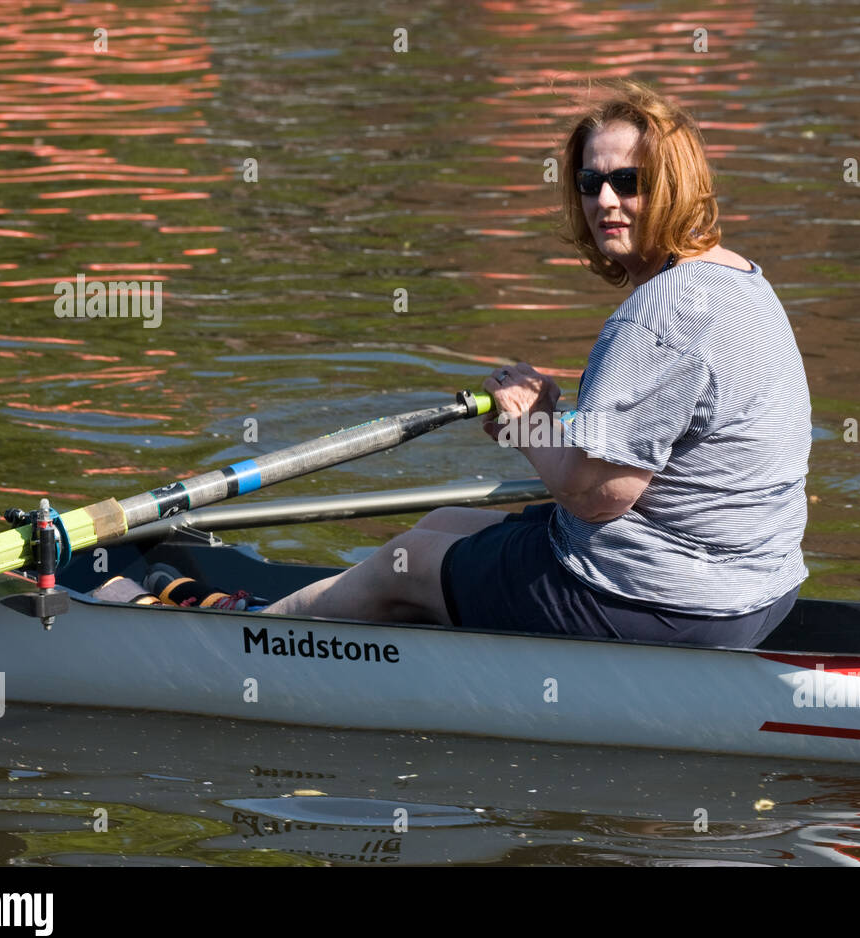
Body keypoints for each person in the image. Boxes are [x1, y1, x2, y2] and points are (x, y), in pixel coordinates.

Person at [266, 80, 812, 648]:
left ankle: (246, 639)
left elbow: (600, 494)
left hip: (670, 602)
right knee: (443, 524)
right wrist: (549, 427)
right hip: (763, 588)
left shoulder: (654, 318)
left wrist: (529, 426)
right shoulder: (740, 275)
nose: (605, 201)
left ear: (675, 187)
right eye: (590, 182)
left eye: (628, 182)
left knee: (407, 560)